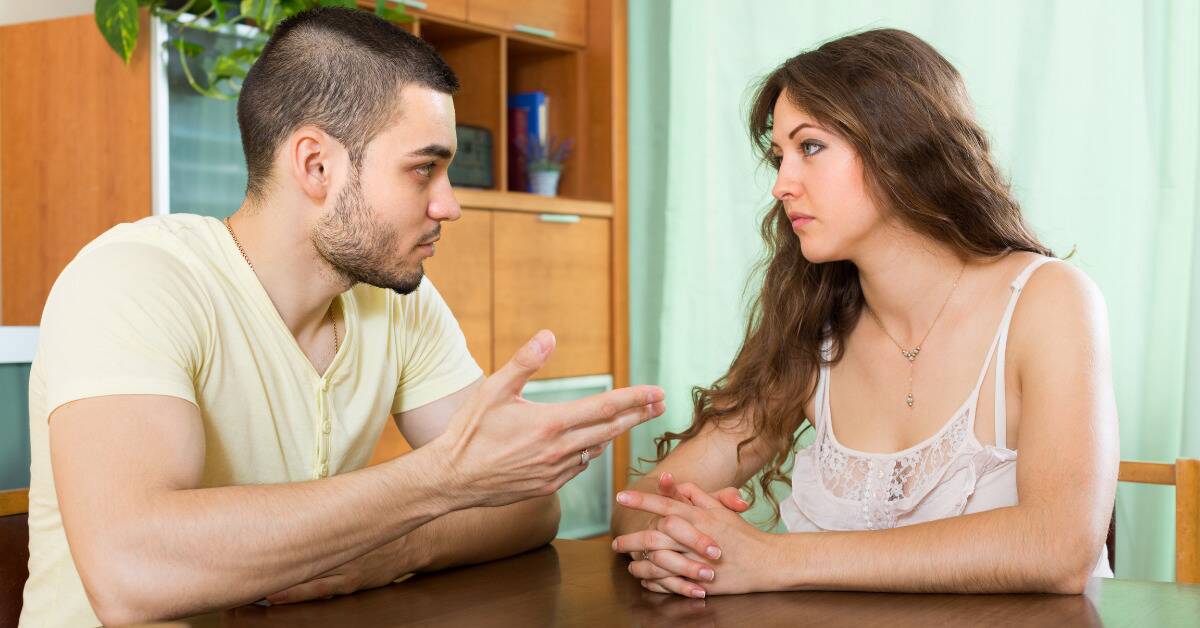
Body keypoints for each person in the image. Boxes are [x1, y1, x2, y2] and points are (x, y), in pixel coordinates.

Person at [20, 8, 664, 626]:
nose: (449, 205)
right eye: (423, 170)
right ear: (316, 165)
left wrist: (396, 549)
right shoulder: (135, 278)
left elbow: (526, 504)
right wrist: (438, 483)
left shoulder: (394, 301)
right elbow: (132, 571)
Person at [610, 28, 1118, 598]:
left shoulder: (1049, 300)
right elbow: (644, 499)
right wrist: (683, 541)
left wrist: (775, 558)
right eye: (779, 156)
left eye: (810, 147)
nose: (781, 185)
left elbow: (1059, 548)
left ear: (900, 142)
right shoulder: (812, 323)